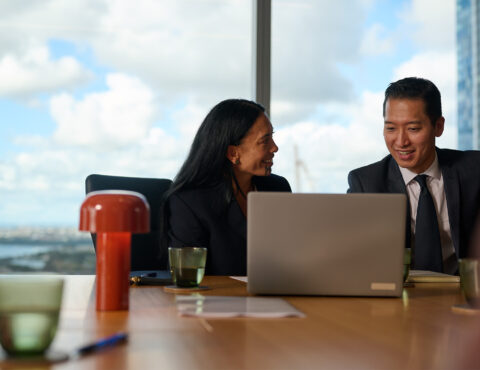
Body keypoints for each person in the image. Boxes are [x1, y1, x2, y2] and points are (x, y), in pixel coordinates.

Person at [347, 77, 480, 274]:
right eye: (391, 128)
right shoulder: (366, 183)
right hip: (398, 297)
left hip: (462, 296)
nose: (401, 141)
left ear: (438, 127)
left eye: (413, 129)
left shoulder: (474, 170)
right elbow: (353, 257)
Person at [164, 99, 291, 275]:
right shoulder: (189, 202)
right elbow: (187, 278)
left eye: (272, 137)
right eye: (265, 140)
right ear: (233, 153)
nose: (274, 147)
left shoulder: (278, 188)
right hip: (220, 300)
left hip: (279, 296)